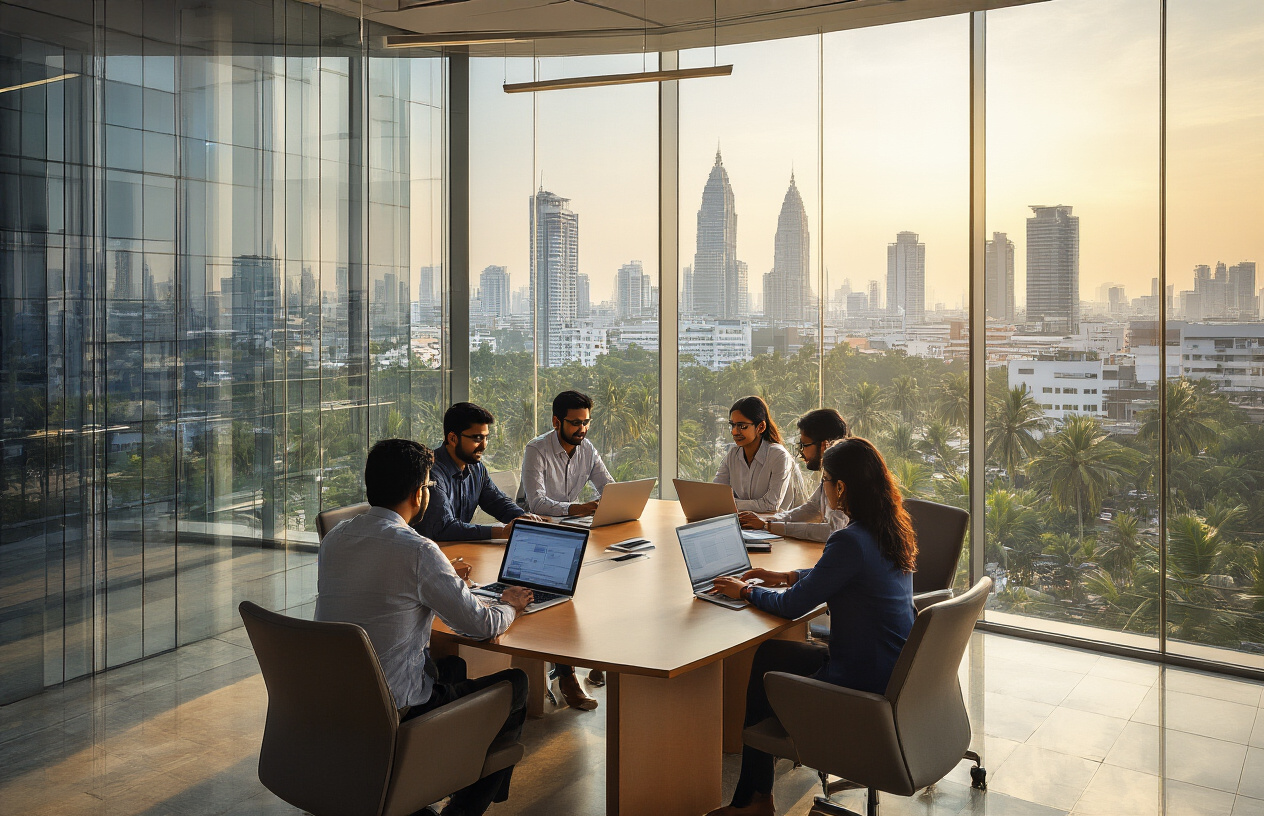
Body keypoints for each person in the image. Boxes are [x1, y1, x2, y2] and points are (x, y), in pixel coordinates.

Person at [315, 439, 535, 816]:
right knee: (516, 684)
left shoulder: (336, 538)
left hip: (336, 698)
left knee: (450, 669)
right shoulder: (418, 550)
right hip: (390, 708)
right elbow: (481, 625)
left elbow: (382, 595)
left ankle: (431, 775)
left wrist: (445, 586)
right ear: (419, 494)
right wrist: (508, 603)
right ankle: (461, 809)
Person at [707, 437, 918, 816]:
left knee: (767, 668)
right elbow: (837, 575)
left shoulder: (849, 540)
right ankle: (755, 799)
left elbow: (791, 609)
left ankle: (753, 802)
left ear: (841, 487)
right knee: (770, 652)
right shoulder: (889, 529)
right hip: (892, 670)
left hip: (858, 682)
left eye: (825, 481)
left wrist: (746, 593)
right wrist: (786, 574)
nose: (823, 488)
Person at [517, 389, 613, 711]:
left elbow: (608, 488)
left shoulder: (587, 449)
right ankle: (566, 674)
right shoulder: (537, 449)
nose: (582, 430)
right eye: (575, 423)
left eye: (586, 422)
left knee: (609, 574)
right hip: (536, 529)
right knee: (565, 594)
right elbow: (536, 502)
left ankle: (602, 655)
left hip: (570, 528)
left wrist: (612, 503)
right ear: (557, 421)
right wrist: (578, 508)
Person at [414, 402, 544, 541]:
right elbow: (443, 528)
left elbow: (496, 501)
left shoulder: (476, 468)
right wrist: (500, 532)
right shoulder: (431, 472)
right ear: (453, 438)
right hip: (425, 553)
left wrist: (521, 518)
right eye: (477, 438)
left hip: (458, 552)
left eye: (486, 437)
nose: (484, 445)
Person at [738, 408, 850, 542]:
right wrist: (766, 521)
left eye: (804, 445)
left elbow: (833, 531)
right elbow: (812, 508)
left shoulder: (844, 480)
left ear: (824, 445)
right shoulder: (831, 473)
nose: (801, 453)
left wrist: (769, 526)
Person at [714, 396, 799, 513]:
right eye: (732, 425)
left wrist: (729, 503)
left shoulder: (779, 456)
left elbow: (770, 505)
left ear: (761, 427)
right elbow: (715, 495)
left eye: (742, 426)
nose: (734, 431)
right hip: (747, 525)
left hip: (779, 527)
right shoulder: (733, 455)